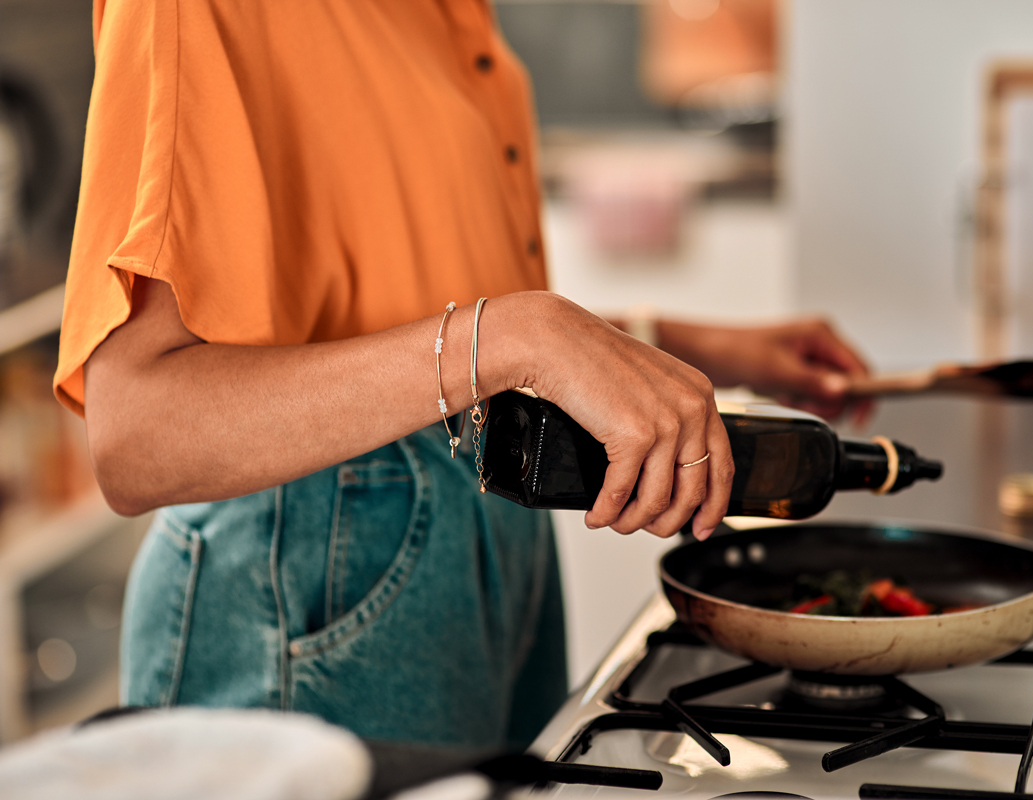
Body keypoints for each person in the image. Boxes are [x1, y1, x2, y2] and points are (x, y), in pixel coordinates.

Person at [55, 0, 869, 750]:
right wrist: (521, 335)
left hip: (487, 533)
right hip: (313, 577)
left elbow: (434, 314)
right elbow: (136, 433)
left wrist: (686, 345)